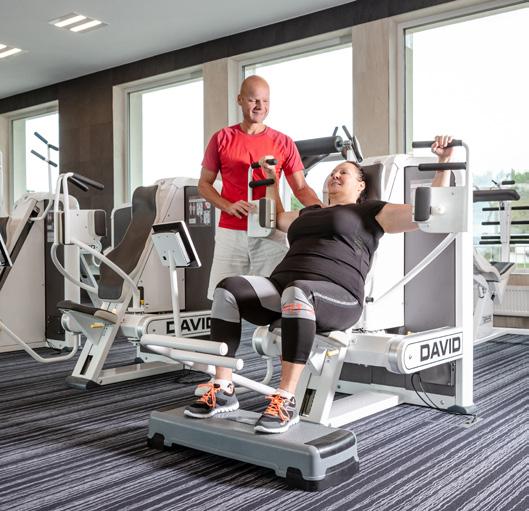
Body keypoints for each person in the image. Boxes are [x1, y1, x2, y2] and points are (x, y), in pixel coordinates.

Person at [187, 135, 456, 434]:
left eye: (344, 172)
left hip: (339, 297)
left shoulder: (371, 212)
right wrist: (272, 180)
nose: (335, 175)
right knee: (227, 289)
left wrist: (443, 162)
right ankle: (223, 387)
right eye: (332, 173)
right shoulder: (308, 213)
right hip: (284, 288)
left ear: (361, 186)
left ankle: (286, 399)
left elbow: (427, 211)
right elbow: (275, 218)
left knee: (297, 292)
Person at [198, 75, 322, 299]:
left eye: (265, 101)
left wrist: (325, 213)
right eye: (253, 100)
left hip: (270, 231)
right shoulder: (222, 138)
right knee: (223, 297)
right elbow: (204, 184)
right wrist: (227, 205)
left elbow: (301, 188)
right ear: (239, 99)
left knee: (273, 297)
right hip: (231, 232)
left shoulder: (283, 142)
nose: (260, 106)